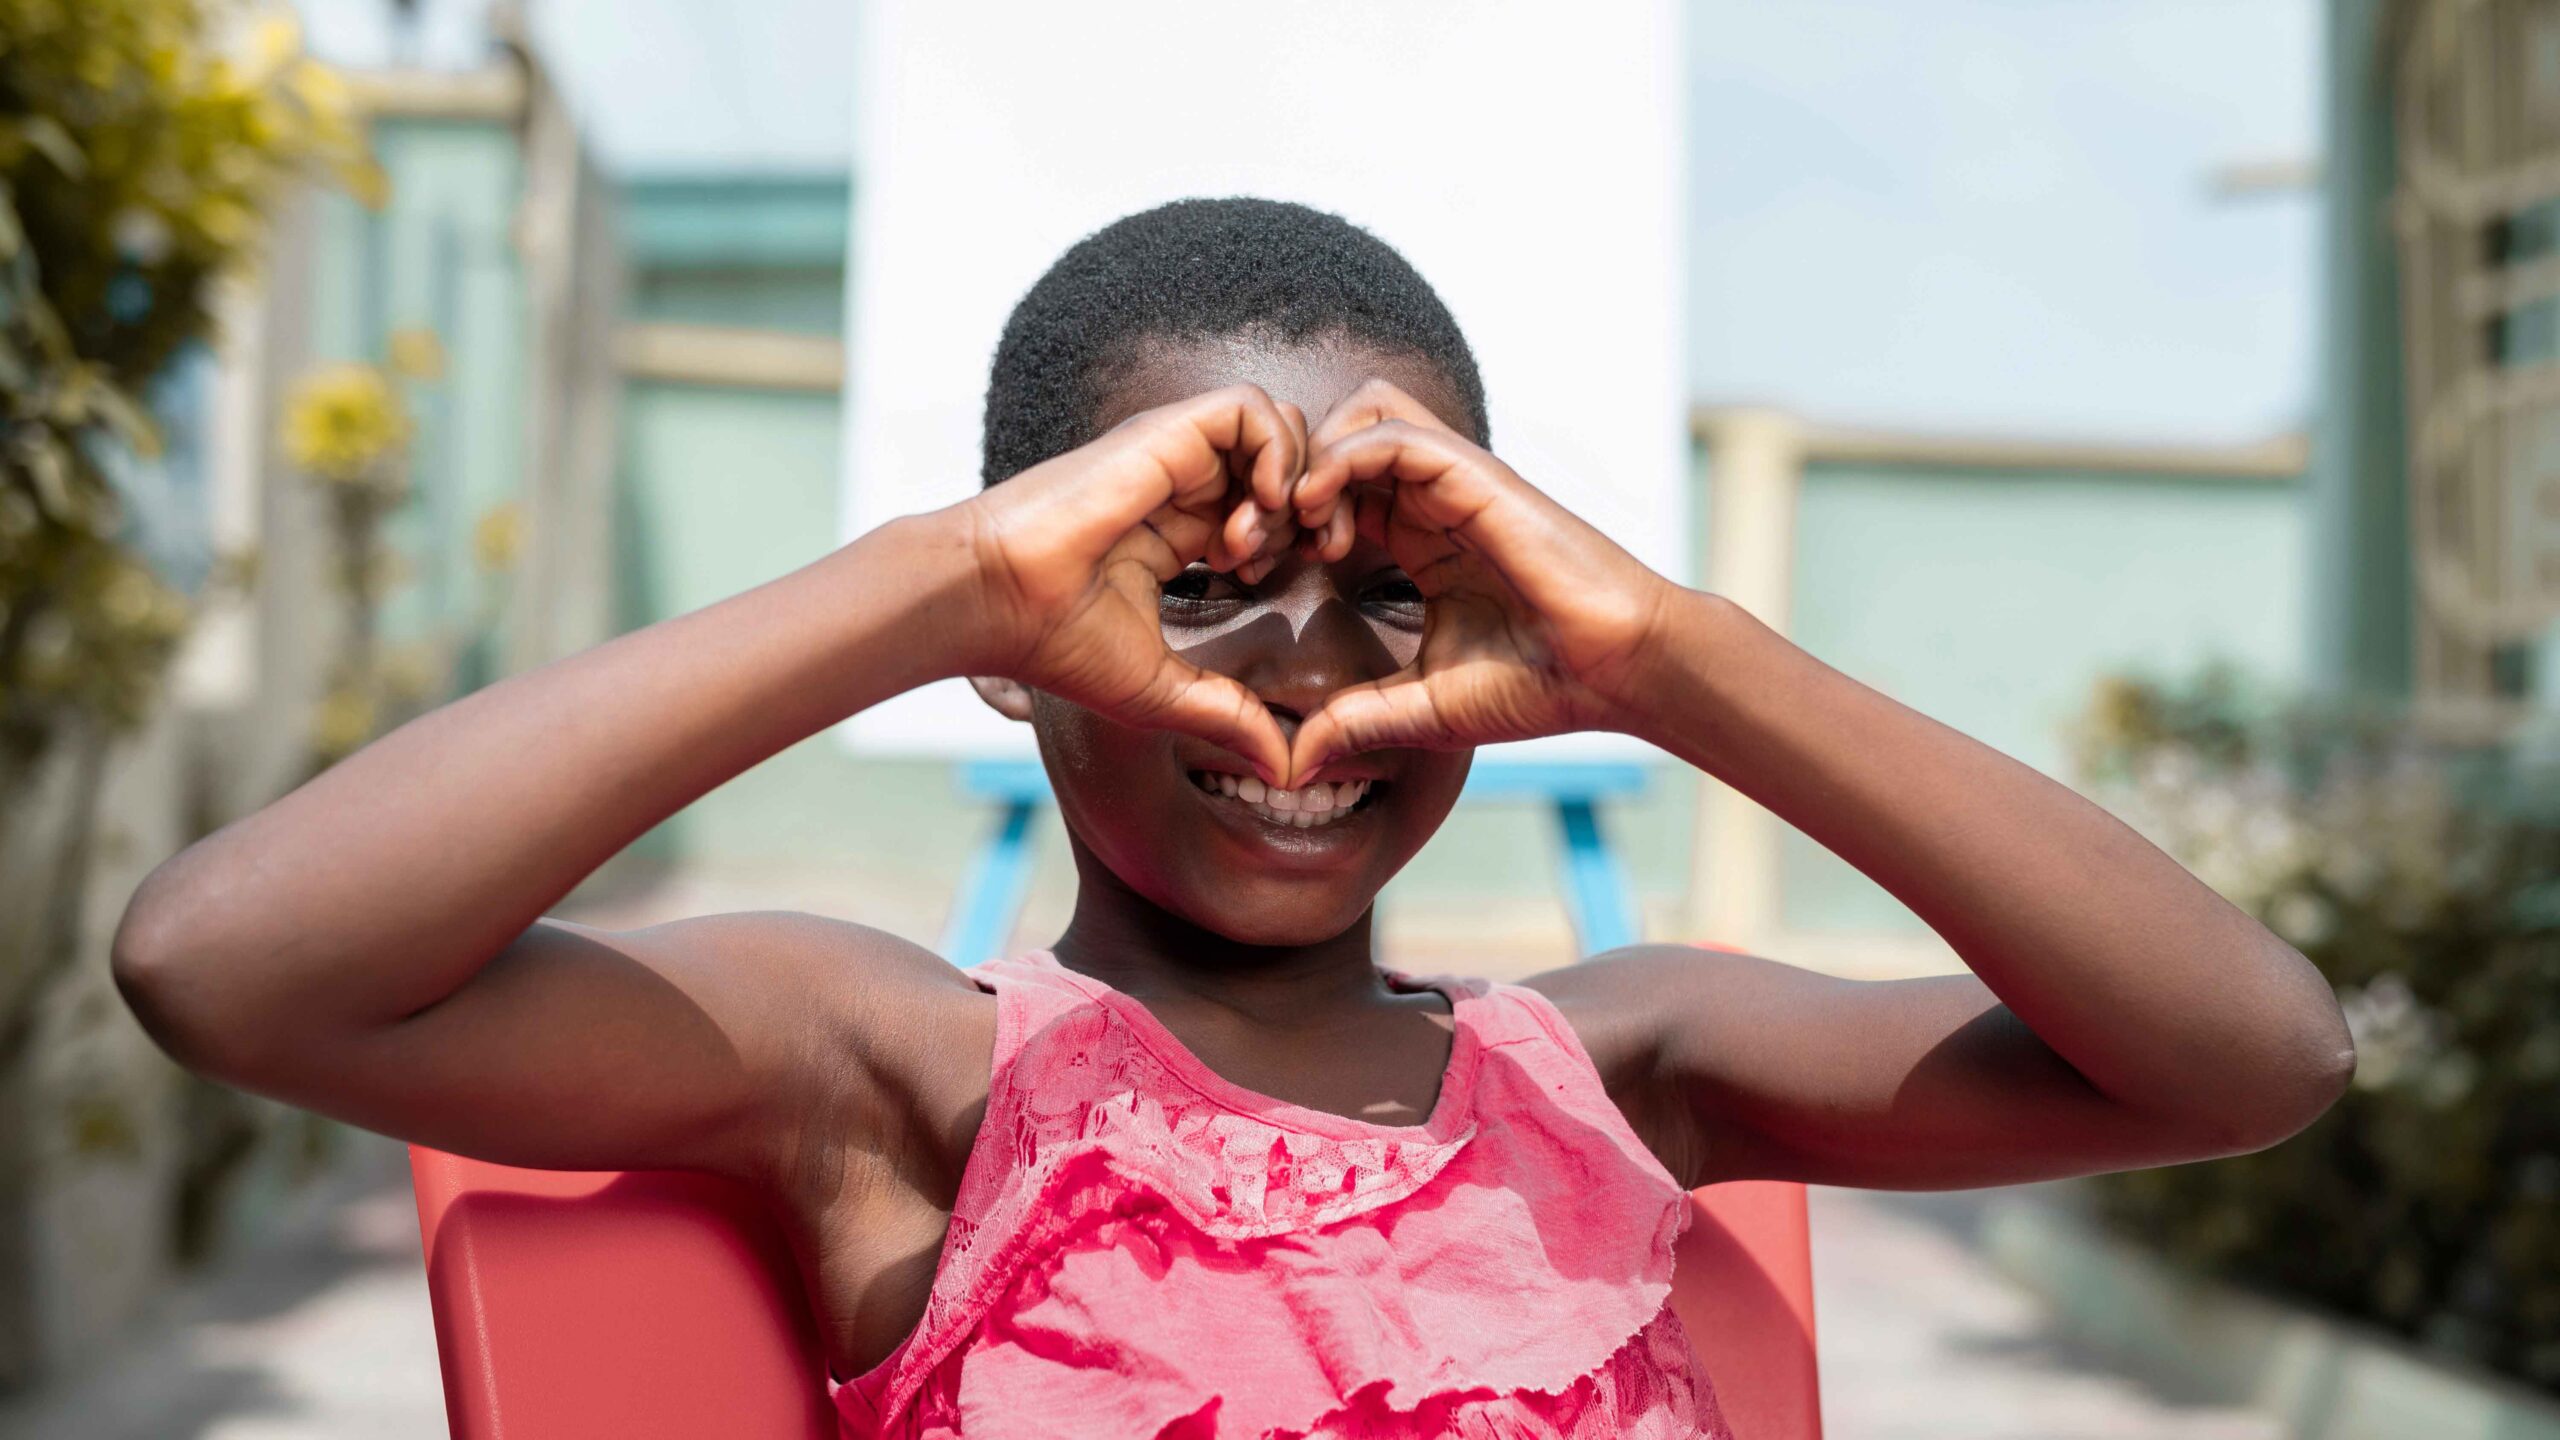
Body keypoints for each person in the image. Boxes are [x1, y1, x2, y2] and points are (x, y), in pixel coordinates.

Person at [111, 198, 2355, 1439]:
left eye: (1397, 594)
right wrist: (939, 579)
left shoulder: (1634, 1070)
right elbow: (236, 965)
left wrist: (1671, 656)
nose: (1301, 672)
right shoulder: (899, 1074)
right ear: (1020, 641)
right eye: (1181, 594)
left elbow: (2249, 1058)